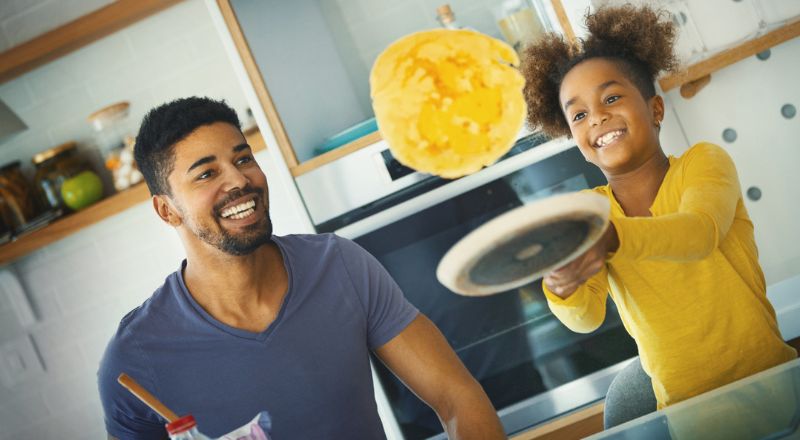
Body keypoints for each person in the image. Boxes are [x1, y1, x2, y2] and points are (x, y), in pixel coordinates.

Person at [97, 97, 505, 440]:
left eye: (243, 158)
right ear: (167, 210)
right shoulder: (135, 359)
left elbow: (456, 396)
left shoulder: (340, 265)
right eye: (207, 173)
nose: (239, 180)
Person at [519, 4, 797, 429]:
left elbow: (698, 234)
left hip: (776, 400)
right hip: (689, 423)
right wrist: (561, 285)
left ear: (656, 110)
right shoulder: (590, 213)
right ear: (574, 138)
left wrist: (614, 238)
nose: (598, 117)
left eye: (611, 97)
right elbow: (586, 318)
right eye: (579, 114)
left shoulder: (703, 163)